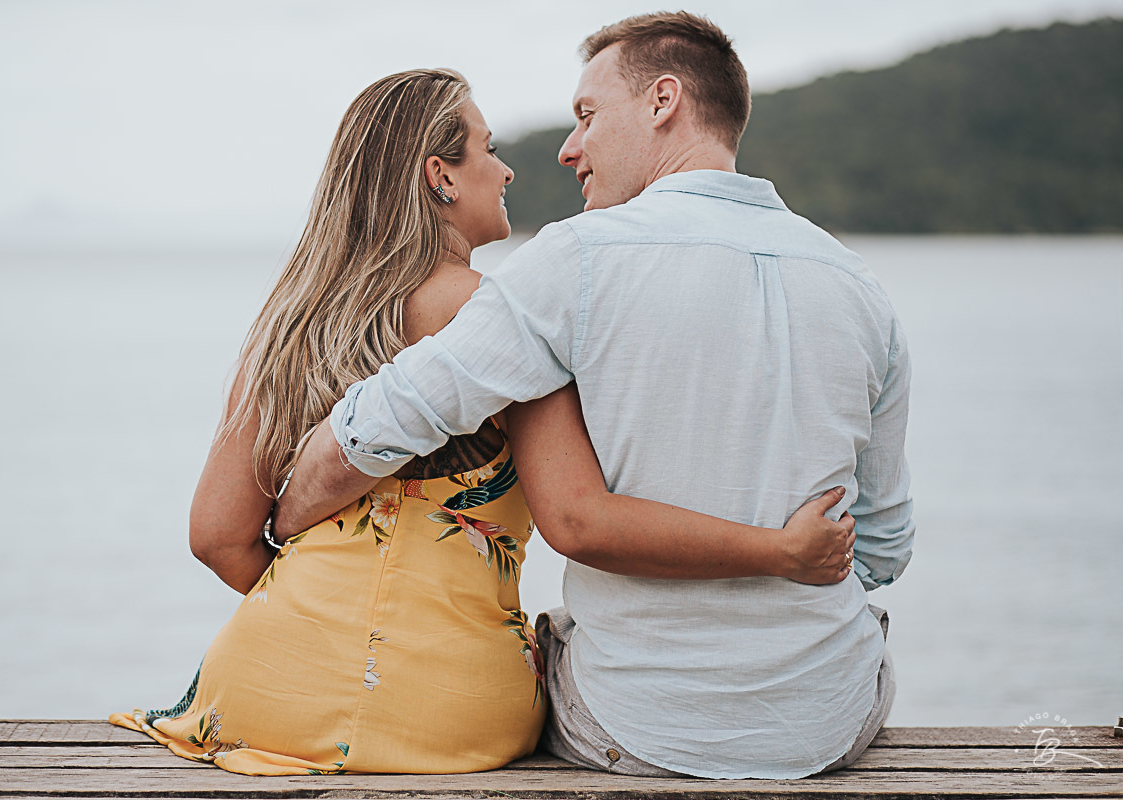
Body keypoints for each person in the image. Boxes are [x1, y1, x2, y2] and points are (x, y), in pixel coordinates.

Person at [110, 67, 857, 777]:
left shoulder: (289, 326)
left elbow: (215, 535)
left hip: (263, 686)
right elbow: (578, 514)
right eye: (489, 150)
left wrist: (322, 631)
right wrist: (782, 548)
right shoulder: (500, 321)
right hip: (456, 709)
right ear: (440, 176)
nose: (506, 171)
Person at [274, 12, 915, 781]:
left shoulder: (578, 259)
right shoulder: (863, 291)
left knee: (549, 646)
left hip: (635, 727)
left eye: (586, 115)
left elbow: (389, 418)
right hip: (828, 726)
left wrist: (284, 523)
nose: (567, 147)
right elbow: (880, 551)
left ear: (663, 101)